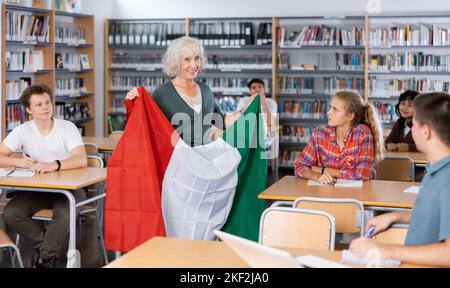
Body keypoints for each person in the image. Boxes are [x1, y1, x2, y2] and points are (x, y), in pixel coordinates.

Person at [350, 92, 450, 267]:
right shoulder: (435, 169)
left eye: (415, 125)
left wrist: (384, 250)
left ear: (425, 132)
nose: (412, 129)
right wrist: (394, 216)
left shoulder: (447, 179)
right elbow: (434, 215)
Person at [0, 84, 87, 268]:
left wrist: (53, 165)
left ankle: (45, 259)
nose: (45, 107)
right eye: (39, 104)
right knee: (12, 213)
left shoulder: (67, 127)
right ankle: (47, 253)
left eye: (47, 102)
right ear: (29, 110)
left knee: (64, 214)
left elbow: (81, 159)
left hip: (69, 190)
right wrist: (18, 162)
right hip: (39, 190)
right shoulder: (23, 130)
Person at [125, 36, 255, 147]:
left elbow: (221, 122)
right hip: (178, 164)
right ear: (176, 62)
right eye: (187, 59)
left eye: (197, 58)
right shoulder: (162, 94)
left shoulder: (206, 90)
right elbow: (145, 126)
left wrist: (245, 110)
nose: (194, 65)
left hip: (206, 161)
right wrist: (137, 101)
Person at [294, 90, 384, 184]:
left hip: (356, 195)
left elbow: (363, 174)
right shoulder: (319, 133)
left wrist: (324, 170)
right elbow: (299, 166)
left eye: (335, 109)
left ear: (349, 116)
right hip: (326, 193)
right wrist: (317, 176)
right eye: (330, 107)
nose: (328, 112)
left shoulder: (362, 132)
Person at [236, 78, 278, 148]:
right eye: (254, 87)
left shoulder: (271, 103)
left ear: (264, 89)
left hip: (264, 140)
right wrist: (251, 103)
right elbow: (238, 120)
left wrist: (264, 105)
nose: (257, 89)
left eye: (259, 87)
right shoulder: (244, 101)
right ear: (250, 91)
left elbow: (271, 124)